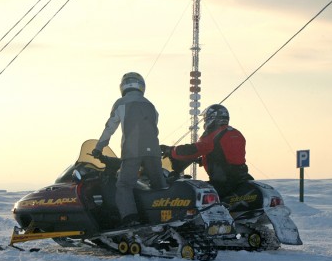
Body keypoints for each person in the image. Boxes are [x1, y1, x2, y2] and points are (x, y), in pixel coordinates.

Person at [92, 72, 167, 227]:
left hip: (132, 151)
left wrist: (99, 147)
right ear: (141, 86)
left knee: (124, 185)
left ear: (123, 86)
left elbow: (110, 128)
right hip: (154, 152)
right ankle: (165, 216)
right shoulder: (150, 105)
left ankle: (130, 219)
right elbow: (155, 127)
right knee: (159, 185)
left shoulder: (121, 103)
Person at [161, 104, 253, 197]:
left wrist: (171, 150)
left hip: (223, 182)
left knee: (190, 193)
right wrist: (202, 160)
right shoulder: (235, 133)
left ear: (211, 118)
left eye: (205, 118)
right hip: (239, 178)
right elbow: (230, 155)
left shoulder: (215, 134)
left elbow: (195, 149)